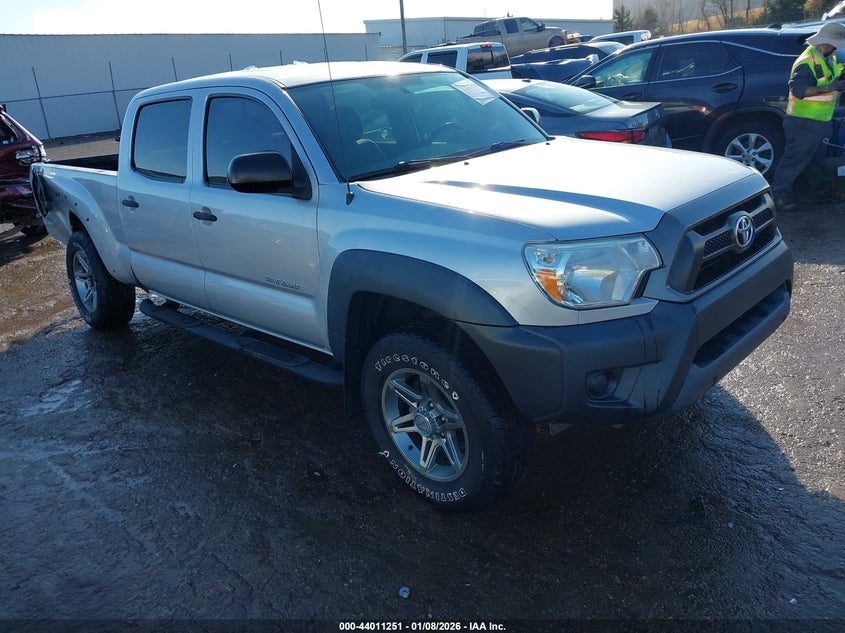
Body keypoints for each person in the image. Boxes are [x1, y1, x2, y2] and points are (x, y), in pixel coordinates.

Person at [772, 21, 845, 212]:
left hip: (819, 120)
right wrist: (833, 87)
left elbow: (831, 76)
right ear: (826, 43)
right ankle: (778, 195)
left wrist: (840, 78)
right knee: (794, 159)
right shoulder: (806, 63)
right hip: (803, 121)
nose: (837, 48)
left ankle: (824, 192)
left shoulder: (828, 57)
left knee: (815, 159)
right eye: (835, 44)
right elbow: (799, 91)